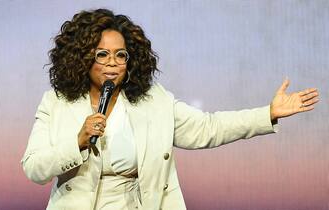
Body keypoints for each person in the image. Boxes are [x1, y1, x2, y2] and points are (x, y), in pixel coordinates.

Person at [21, 8, 320, 210]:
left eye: (120, 55)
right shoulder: (57, 102)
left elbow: (208, 128)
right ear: (82, 58)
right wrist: (78, 142)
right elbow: (34, 168)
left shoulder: (155, 101)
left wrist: (267, 113)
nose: (112, 62)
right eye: (102, 54)